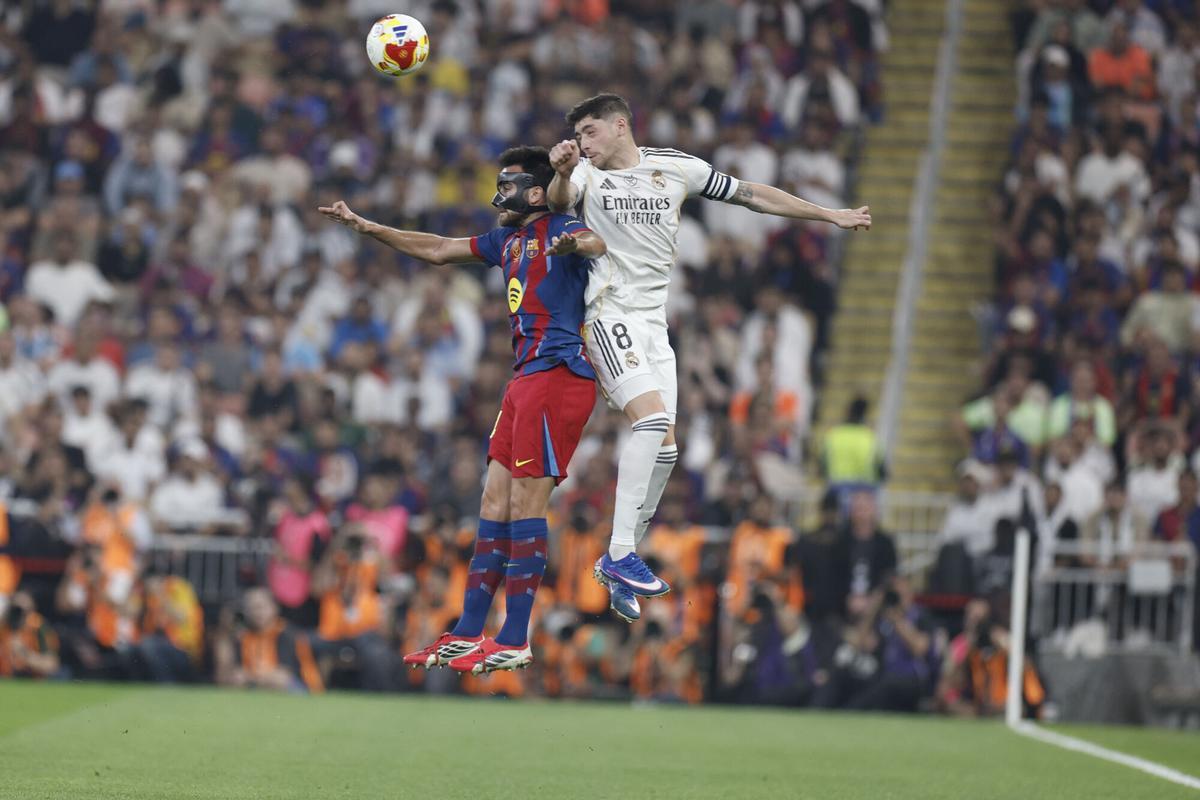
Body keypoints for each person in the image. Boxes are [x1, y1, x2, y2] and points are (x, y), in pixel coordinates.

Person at [546, 93, 871, 616]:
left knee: (668, 450)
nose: (582, 144)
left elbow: (751, 195)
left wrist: (827, 215)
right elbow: (560, 202)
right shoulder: (586, 174)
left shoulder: (677, 169)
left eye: (589, 132)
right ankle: (621, 554)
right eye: (578, 137)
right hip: (609, 314)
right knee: (649, 425)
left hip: (654, 324)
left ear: (619, 126)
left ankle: (620, 564)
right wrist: (562, 173)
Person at [319, 145, 605, 673]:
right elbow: (435, 248)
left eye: (511, 184)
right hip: (525, 378)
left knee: (525, 503)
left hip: (559, 375)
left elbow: (593, 239)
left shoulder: (559, 227)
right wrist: (367, 227)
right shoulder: (508, 240)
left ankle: (515, 634)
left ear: (536, 193)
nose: (499, 194)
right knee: (493, 497)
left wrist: (576, 239)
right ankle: (469, 630)